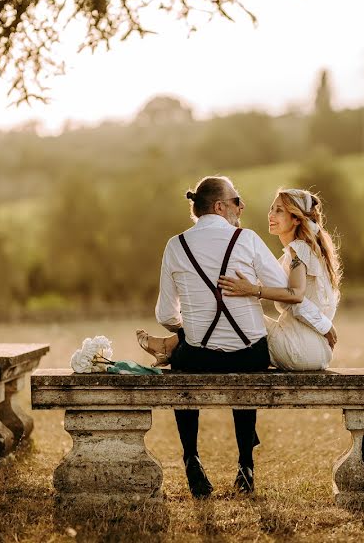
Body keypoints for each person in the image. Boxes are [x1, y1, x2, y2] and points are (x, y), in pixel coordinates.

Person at [137, 176, 334, 499]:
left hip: (199, 356)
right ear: (219, 206)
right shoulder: (248, 240)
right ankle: (246, 464)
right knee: (249, 354)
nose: (242, 206)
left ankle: (192, 460)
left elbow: (165, 316)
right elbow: (285, 292)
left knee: (183, 362)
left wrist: (192, 326)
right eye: (236, 200)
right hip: (250, 355)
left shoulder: (176, 245)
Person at [218, 188, 341, 371]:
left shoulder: (298, 250)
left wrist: (252, 290)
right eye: (271, 208)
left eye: (279, 211)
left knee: (231, 311)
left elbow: (296, 294)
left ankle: (180, 348)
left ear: (297, 219)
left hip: (297, 348)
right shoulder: (297, 254)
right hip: (318, 352)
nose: (271, 215)